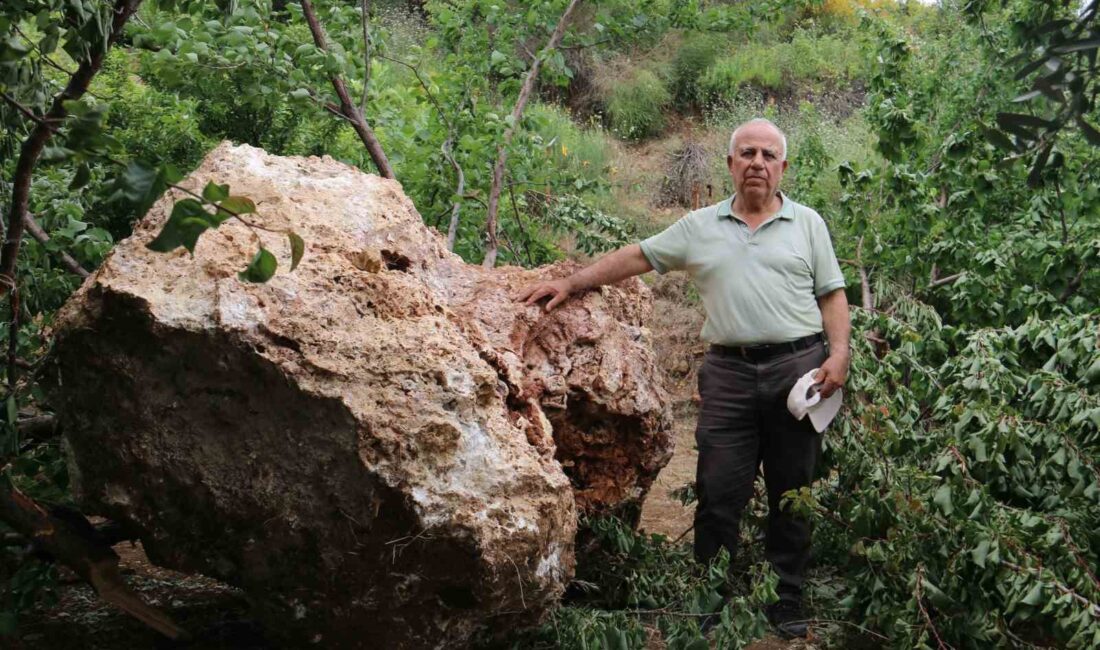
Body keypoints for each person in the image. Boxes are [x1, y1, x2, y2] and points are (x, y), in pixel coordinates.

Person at [515, 118, 851, 639]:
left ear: (783, 166)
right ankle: (710, 597)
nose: (757, 163)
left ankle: (787, 600)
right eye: (747, 153)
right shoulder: (699, 226)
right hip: (729, 374)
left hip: (797, 370)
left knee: (793, 491)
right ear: (730, 165)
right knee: (718, 490)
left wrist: (840, 354)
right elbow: (638, 257)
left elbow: (832, 294)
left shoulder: (808, 224)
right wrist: (571, 282)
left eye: (768, 154)